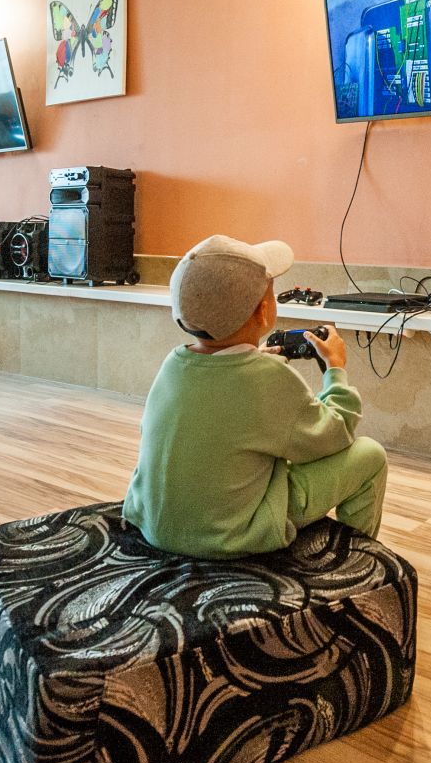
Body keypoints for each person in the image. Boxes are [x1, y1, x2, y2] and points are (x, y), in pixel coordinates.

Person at [122, 235, 388, 558]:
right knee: (370, 455)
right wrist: (335, 368)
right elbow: (336, 434)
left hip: (156, 526)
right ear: (263, 311)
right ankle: (355, 562)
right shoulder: (268, 378)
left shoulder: (173, 365)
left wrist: (250, 359)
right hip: (229, 536)